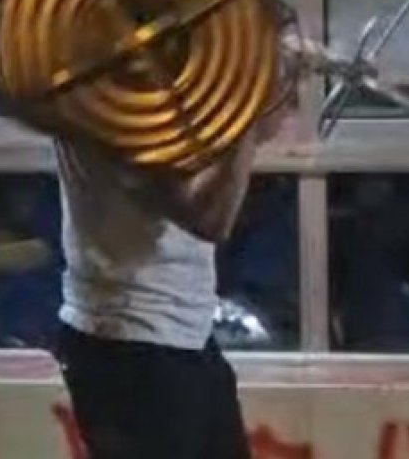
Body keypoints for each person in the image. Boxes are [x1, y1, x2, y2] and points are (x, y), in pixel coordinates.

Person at [51, 103, 285, 458]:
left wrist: (267, 96)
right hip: (134, 346)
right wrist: (247, 113)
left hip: (181, 336)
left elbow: (257, 133)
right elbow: (210, 217)